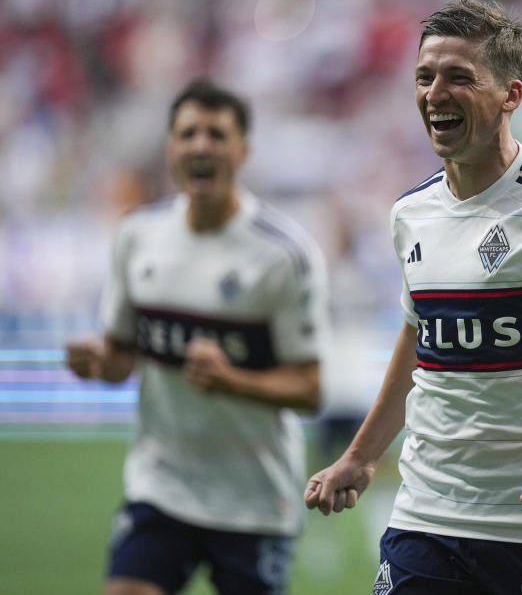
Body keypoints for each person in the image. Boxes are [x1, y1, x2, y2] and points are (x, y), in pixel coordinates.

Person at [304, 0, 522, 594]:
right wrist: (361, 457)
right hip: (424, 519)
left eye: (458, 77)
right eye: (425, 76)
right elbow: (420, 345)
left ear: (510, 95)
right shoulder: (411, 214)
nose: (435, 93)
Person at [66, 79, 328, 595]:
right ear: (171, 149)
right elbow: (121, 357)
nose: (201, 145)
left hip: (254, 499)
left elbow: (310, 389)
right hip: (162, 485)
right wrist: (100, 361)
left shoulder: (283, 255)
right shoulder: (137, 236)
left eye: (216, 134)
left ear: (243, 151)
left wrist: (231, 380)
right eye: (188, 134)